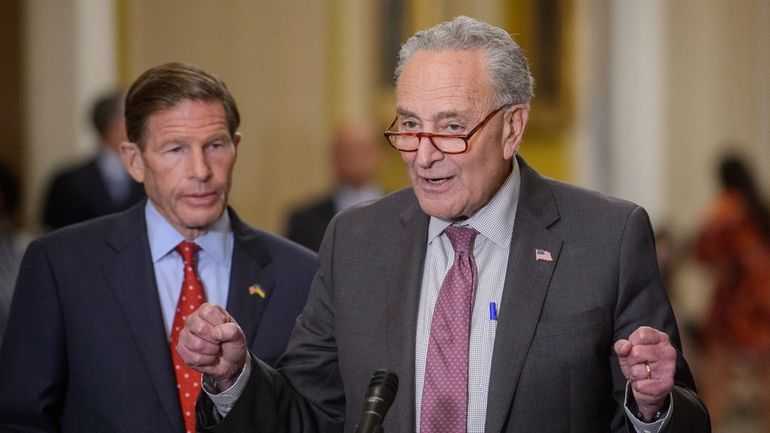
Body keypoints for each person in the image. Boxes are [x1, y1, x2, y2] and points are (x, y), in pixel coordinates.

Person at [178, 17, 710, 433]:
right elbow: (307, 415)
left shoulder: (607, 239)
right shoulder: (356, 241)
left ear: (511, 128)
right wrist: (234, 376)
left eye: (452, 129)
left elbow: (676, 417)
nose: (423, 156)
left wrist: (653, 407)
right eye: (410, 126)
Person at [0, 63, 318, 433]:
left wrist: (236, 383)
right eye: (175, 149)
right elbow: (20, 422)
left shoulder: (301, 274)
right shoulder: (61, 266)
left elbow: (315, 419)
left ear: (236, 147)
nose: (200, 170)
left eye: (215, 145)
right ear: (134, 161)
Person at [694, 154, 770, 429]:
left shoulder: (725, 209)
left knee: (717, 375)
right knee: (766, 376)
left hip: (732, 304)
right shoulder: (758, 209)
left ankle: (711, 425)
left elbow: (703, 251)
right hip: (761, 300)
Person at [41, 90, 145, 231]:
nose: (142, 125)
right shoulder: (67, 182)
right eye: (133, 118)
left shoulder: (153, 175)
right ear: (112, 126)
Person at [286, 119, 383, 251]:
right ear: (332, 157)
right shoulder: (304, 221)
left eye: (362, 149)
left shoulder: (405, 211)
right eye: (346, 151)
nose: (354, 156)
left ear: (378, 155)